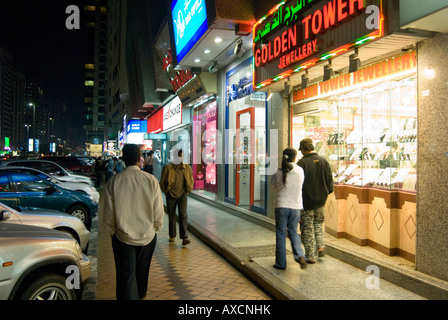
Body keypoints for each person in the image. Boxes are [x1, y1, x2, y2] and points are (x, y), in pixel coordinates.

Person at [103, 144, 164, 300]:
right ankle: (140, 295)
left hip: (122, 237)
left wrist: (112, 231)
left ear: (123, 159)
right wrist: (156, 227)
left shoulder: (114, 181)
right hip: (147, 236)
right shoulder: (151, 180)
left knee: (126, 275)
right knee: (142, 273)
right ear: (139, 158)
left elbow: (109, 214)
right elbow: (158, 210)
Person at [297, 138, 334, 264]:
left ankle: (311, 256)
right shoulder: (324, 161)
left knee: (307, 228)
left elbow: (298, 183)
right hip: (321, 200)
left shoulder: (302, 163)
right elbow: (330, 179)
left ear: (303, 149)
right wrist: (326, 192)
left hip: (307, 201)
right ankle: (321, 246)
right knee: (318, 223)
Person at [271, 148, 307, 270]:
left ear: (283, 157)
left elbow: (273, 185)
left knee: (281, 234)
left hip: (281, 206)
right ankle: (300, 255)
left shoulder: (279, 172)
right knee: (293, 231)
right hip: (296, 207)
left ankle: (281, 263)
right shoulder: (300, 171)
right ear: (295, 158)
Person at [160, 149, 194, 245]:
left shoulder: (187, 168)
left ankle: (184, 237)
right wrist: (166, 191)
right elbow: (162, 182)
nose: (180, 158)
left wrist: (188, 189)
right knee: (172, 215)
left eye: (181, 156)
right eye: (178, 156)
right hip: (171, 194)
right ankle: (172, 235)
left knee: (183, 215)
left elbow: (190, 180)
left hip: (182, 194)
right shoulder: (168, 168)